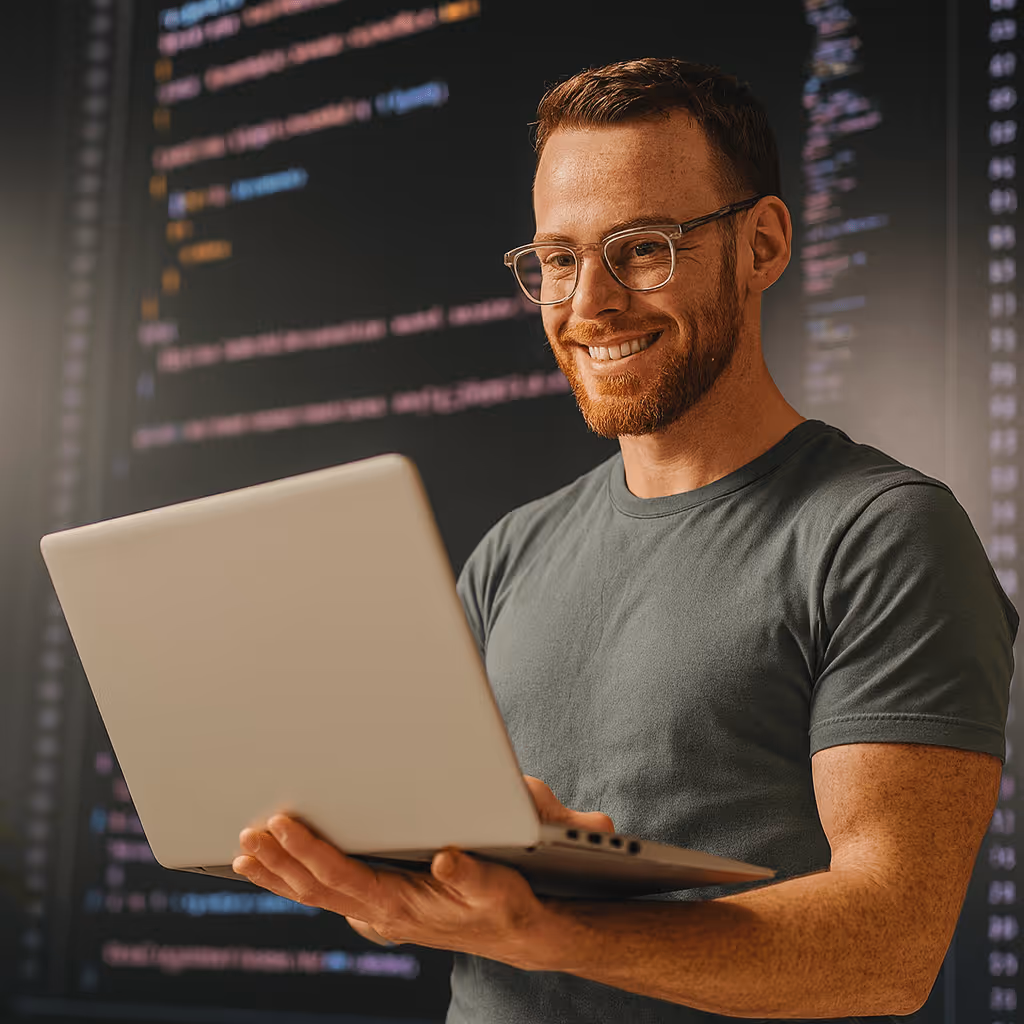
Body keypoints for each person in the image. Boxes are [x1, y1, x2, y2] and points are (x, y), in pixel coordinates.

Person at [231, 58, 1019, 1022]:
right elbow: (438, 896)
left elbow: (889, 948)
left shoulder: (881, 534)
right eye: (558, 260)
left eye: (642, 247)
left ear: (761, 245)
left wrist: (543, 929)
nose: (588, 304)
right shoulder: (511, 553)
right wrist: (383, 889)